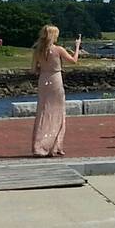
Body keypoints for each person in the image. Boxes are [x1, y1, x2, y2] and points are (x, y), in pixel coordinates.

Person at [31, 25, 80, 157]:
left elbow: (34, 69)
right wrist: (77, 47)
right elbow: (74, 61)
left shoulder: (38, 50)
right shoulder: (58, 49)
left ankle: (40, 144)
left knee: (43, 111)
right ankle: (55, 145)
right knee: (58, 111)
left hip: (43, 79)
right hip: (55, 79)